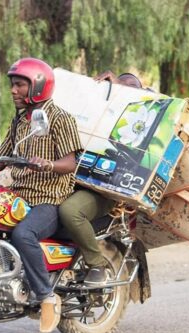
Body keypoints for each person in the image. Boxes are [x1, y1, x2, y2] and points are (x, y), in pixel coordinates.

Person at [0, 58, 82, 333]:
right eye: (12, 85)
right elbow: (1, 158)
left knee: (23, 234)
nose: (13, 90)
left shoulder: (60, 118)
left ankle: (47, 297)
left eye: (19, 85)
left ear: (37, 86)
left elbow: (70, 162)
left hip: (50, 199)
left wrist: (48, 164)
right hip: (19, 196)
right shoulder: (20, 120)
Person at [58, 70, 145, 286]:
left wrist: (124, 92)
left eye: (130, 89)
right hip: (71, 180)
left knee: (70, 211)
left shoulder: (142, 127)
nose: (123, 91)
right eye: (119, 88)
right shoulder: (99, 115)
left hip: (105, 190)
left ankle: (96, 265)